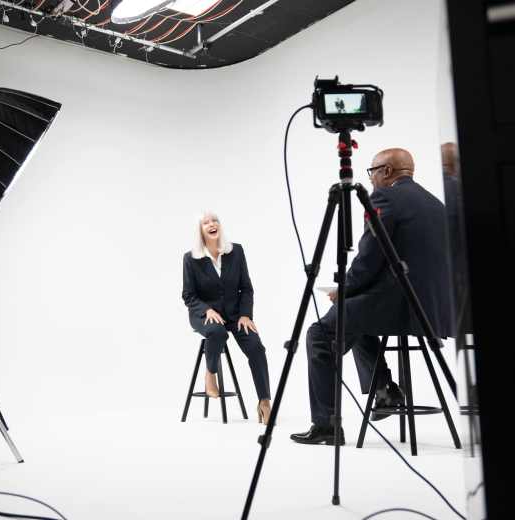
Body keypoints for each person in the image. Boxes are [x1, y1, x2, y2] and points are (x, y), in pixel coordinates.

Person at [291, 148, 453, 445]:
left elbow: (369, 258)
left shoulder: (385, 199)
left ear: (386, 171)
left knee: (319, 334)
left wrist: (344, 291)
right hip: (433, 311)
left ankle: (327, 426)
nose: (372, 178)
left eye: (373, 171)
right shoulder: (435, 203)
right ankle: (383, 388)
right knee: (354, 319)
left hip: (398, 306)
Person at [182, 212, 272, 424]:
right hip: (203, 315)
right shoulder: (191, 259)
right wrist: (206, 310)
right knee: (217, 333)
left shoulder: (236, 251)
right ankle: (210, 374)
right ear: (200, 230)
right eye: (206, 222)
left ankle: (265, 402)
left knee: (256, 348)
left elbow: (246, 288)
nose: (212, 224)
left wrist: (245, 315)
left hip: (235, 315)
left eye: (215, 221)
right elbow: (188, 295)